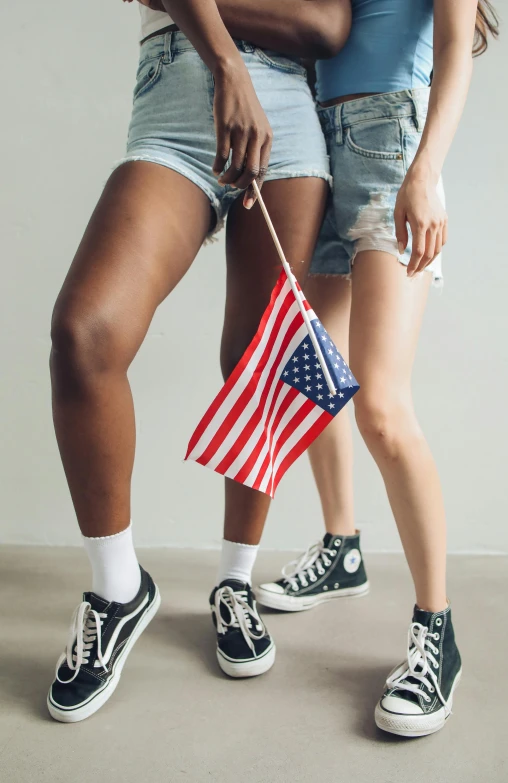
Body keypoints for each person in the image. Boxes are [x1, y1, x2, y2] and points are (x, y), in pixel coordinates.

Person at [46, 0, 352, 722]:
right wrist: (225, 60)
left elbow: (326, 26)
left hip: (288, 112)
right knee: (85, 334)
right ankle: (119, 589)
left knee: (262, 365)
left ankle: (235, 581)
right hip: (179, 94)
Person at [256, 0, 499, 737]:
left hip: (391, 141)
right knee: (310, 368)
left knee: (382, 406)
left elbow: (456, 45)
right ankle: (342, 546)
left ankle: (438, 629)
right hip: (319, 142)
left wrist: (426, 169)